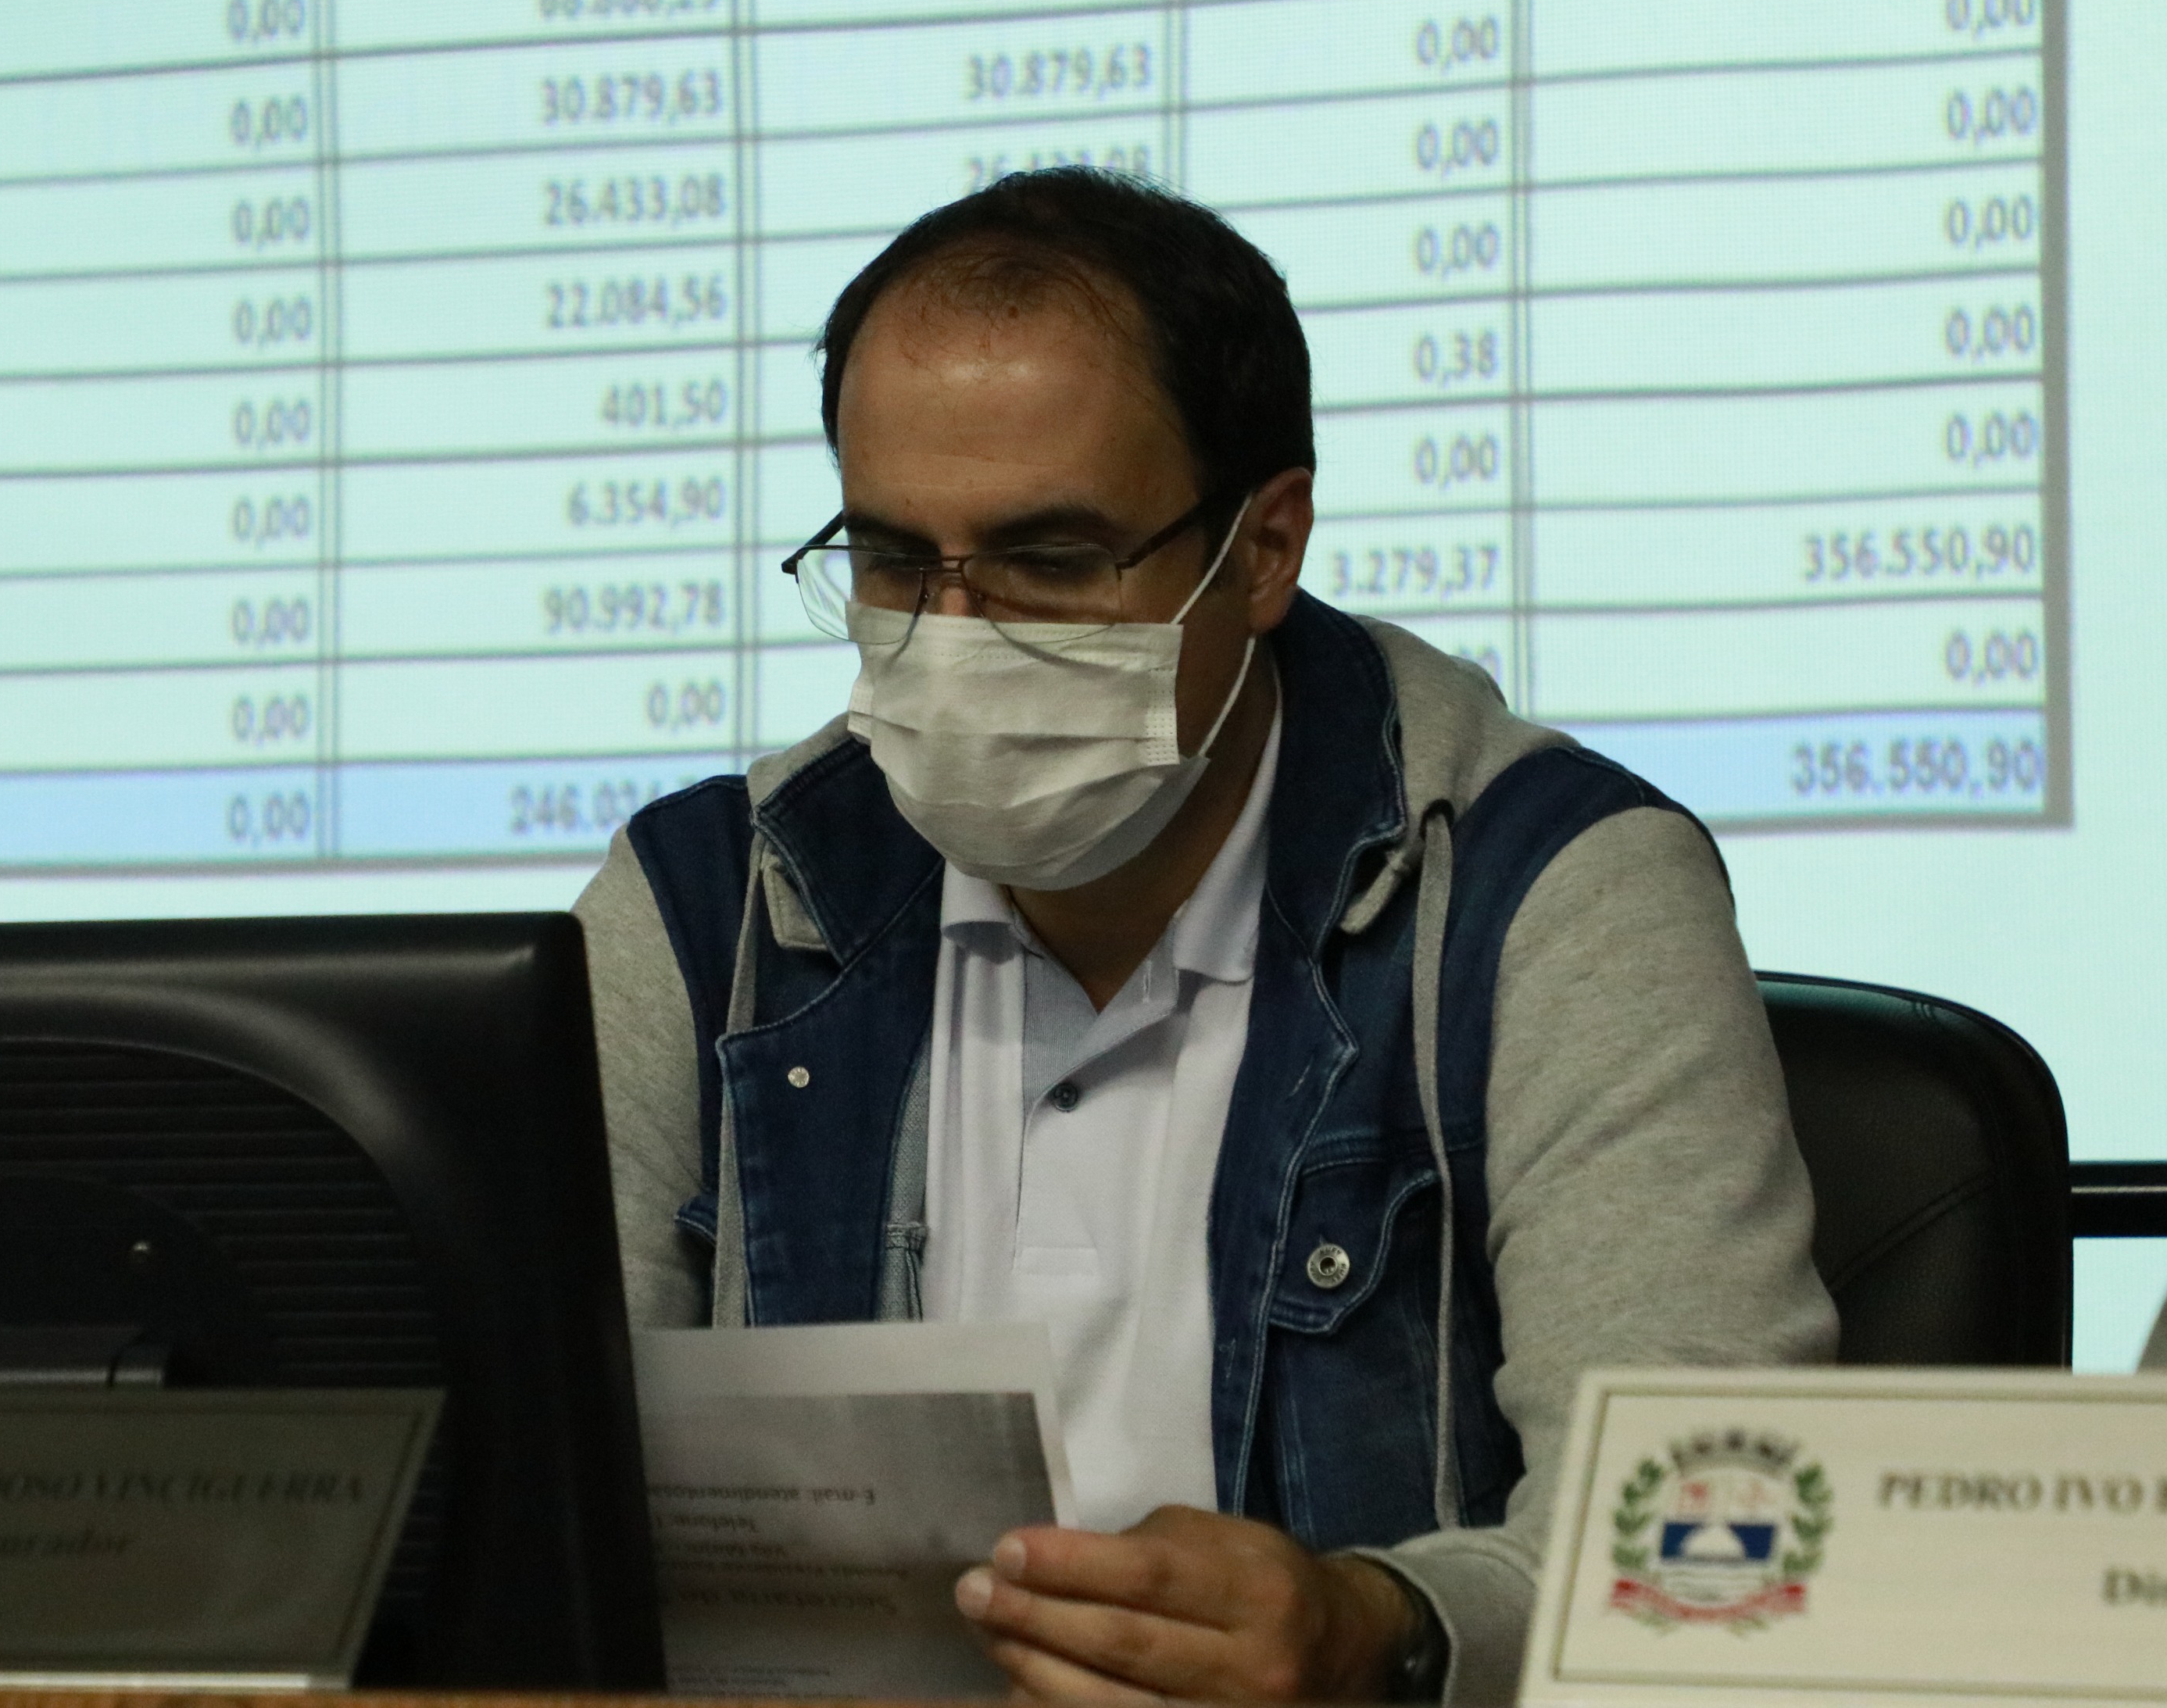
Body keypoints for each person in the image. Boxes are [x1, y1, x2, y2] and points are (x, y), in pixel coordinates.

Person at [577, 168, 1833, 1703]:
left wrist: (1378, 1627)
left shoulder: (1544, 894)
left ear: (1262, 547)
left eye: (1050, 562)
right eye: (898, 563)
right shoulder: (713, 904)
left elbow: (1717, 1546)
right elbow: (513, 1491)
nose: (955, 644)